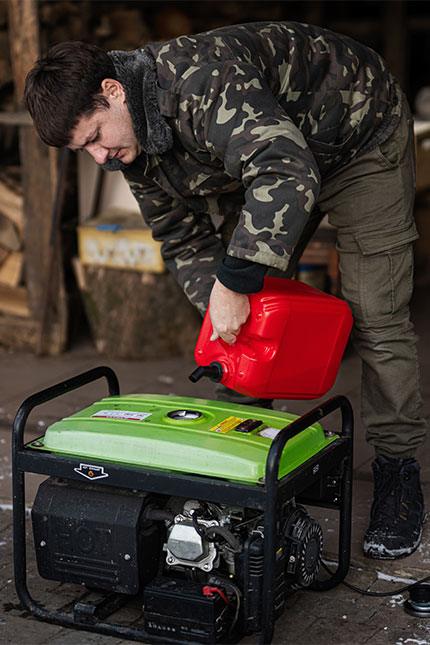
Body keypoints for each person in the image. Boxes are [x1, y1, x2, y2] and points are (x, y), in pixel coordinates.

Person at [24, 21, 427, 560]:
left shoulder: (196, 83)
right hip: (279, 156)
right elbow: (179, 235)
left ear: (113, 91)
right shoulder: (131, 142)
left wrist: (235, 283)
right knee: (241, 305)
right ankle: (236, 454)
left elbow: (286, 171)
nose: (98, 157)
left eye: (96, 136)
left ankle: (398, 474)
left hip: (358, 135)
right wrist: (225, 315)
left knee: (375, 313)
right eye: (84, 151)